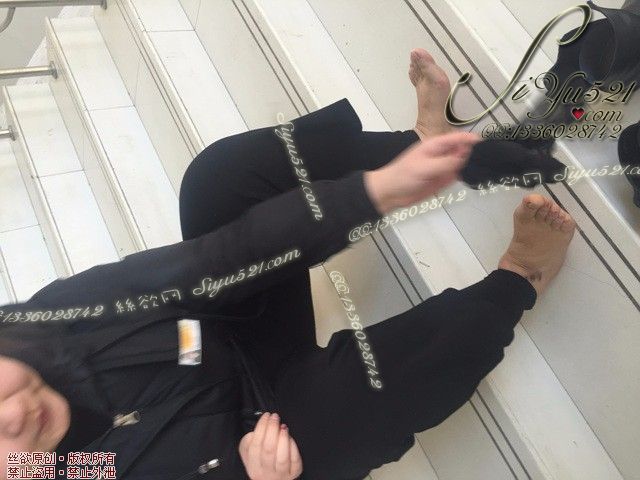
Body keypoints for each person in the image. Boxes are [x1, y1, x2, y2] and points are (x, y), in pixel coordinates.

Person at [0, 49, 576, 480]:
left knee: (218, 181)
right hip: (262, 426)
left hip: (221, 333)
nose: (9, 420)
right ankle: (519, 277)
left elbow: (204, 266)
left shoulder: (40, 325)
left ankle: (421, 145)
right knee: (343, 410)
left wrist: (374, 192)